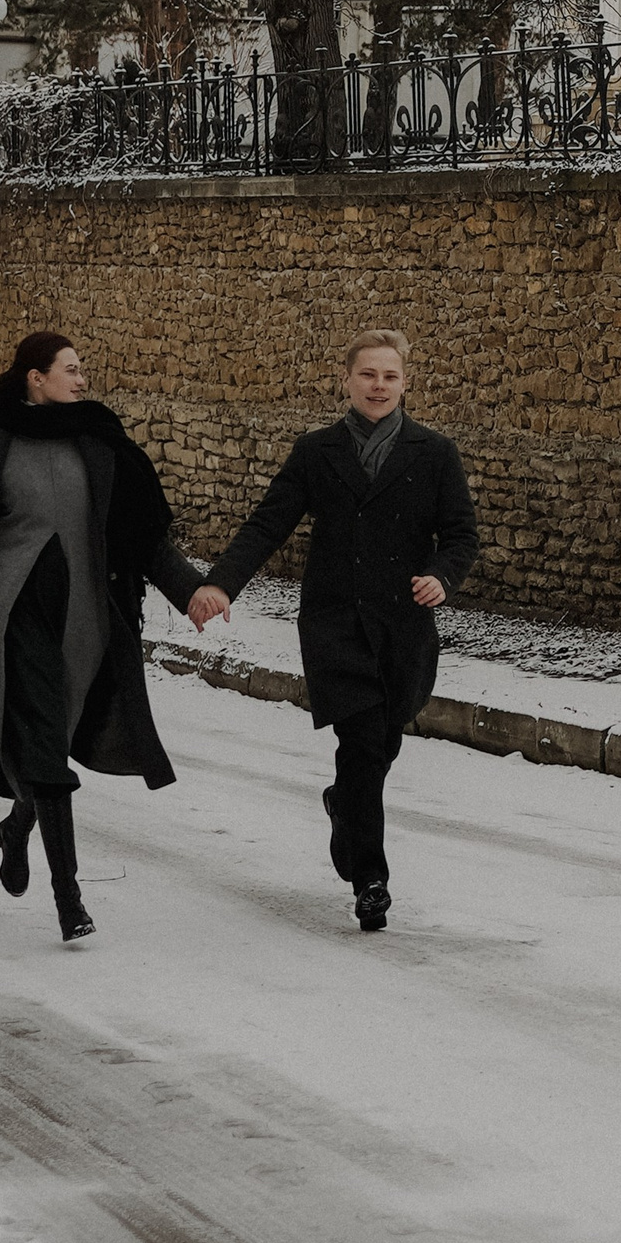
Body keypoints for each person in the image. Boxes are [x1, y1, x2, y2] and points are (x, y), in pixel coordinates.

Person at [0, 330, 212, 941]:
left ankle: (18, 825)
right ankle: (69, 899)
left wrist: (191, 591)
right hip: (12, 618)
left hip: (85, 623)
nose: (81, 379)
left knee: (51, 738)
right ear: (35, 378)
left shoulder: (100, 445)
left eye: (83, 368)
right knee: (44, 741)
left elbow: (141, 537)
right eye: (69, 369)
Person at [188, 329, 477, 931]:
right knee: (365, 741)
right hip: (335, 623)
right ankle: (371, 879)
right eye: (368, 375)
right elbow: (269, 524)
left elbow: (460, 536)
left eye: (390, 376)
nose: (379, 386)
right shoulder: (317, 451)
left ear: (405, 383)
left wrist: (442, 578)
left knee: (381, 741)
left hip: (403, 625)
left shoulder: (435, 452)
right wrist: (220, 585)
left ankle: (344, 804)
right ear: (347, 381)